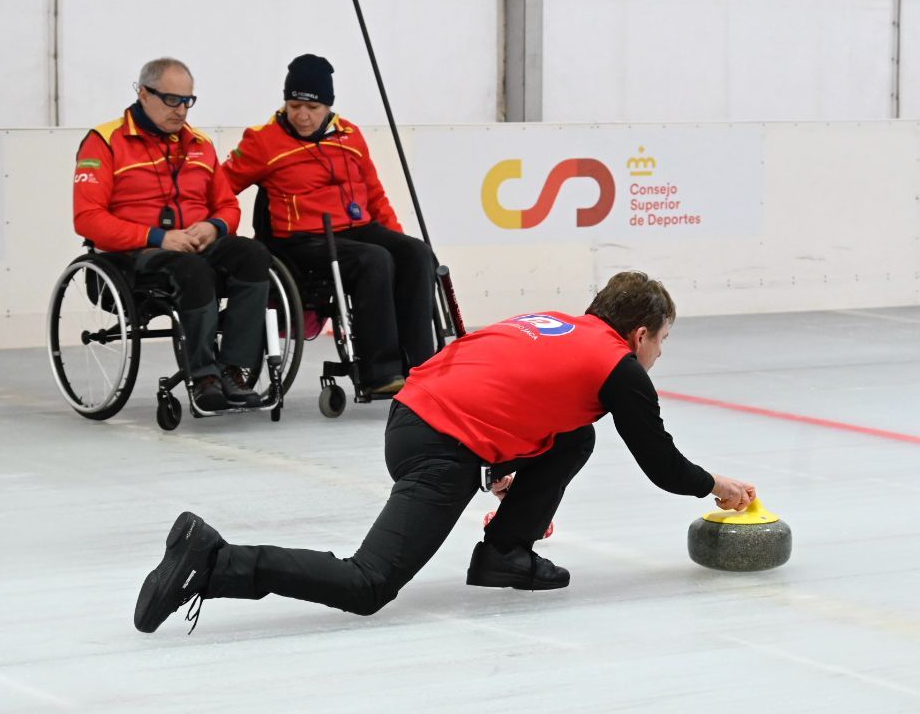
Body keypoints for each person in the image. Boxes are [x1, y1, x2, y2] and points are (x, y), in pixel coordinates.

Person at [132, 271, 757, 633]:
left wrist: (507, 463)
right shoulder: (618, 365)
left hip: (418, 414)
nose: (660, 354)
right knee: (367, 583)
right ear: (640, 333)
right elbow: (659, 462)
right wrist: (715, 486)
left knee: (577, 434)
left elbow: (502, 387)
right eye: (663, 340)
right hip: (440, 443)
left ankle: (505, 555)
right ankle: (215, 560)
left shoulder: (554, 324)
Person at [223, 54, 436, 396]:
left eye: (313, 108)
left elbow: (374, 194)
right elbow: (221, 187)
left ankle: (422, 364)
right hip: (302, 239)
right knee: (373, 260)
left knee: (416, 253)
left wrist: (397, 239)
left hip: (356, 228)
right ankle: (379, 373)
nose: (302, 116)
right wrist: (221, 229)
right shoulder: (263, 141)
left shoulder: (350, 135)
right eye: (294, 106)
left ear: (329, 107)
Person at [73, 58, 273, 412]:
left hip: (194, 247)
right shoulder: (103, 142)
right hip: (133, 256)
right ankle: (204, 377)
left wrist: (214, 227)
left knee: (253, 254)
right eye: (171, 100)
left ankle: (232, 369)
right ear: (143, 93)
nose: (181, 110)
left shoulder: (200, 144)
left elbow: (228, 206)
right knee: (190, 270)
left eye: (188, 101)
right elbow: (87, 219)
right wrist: (157, 237)